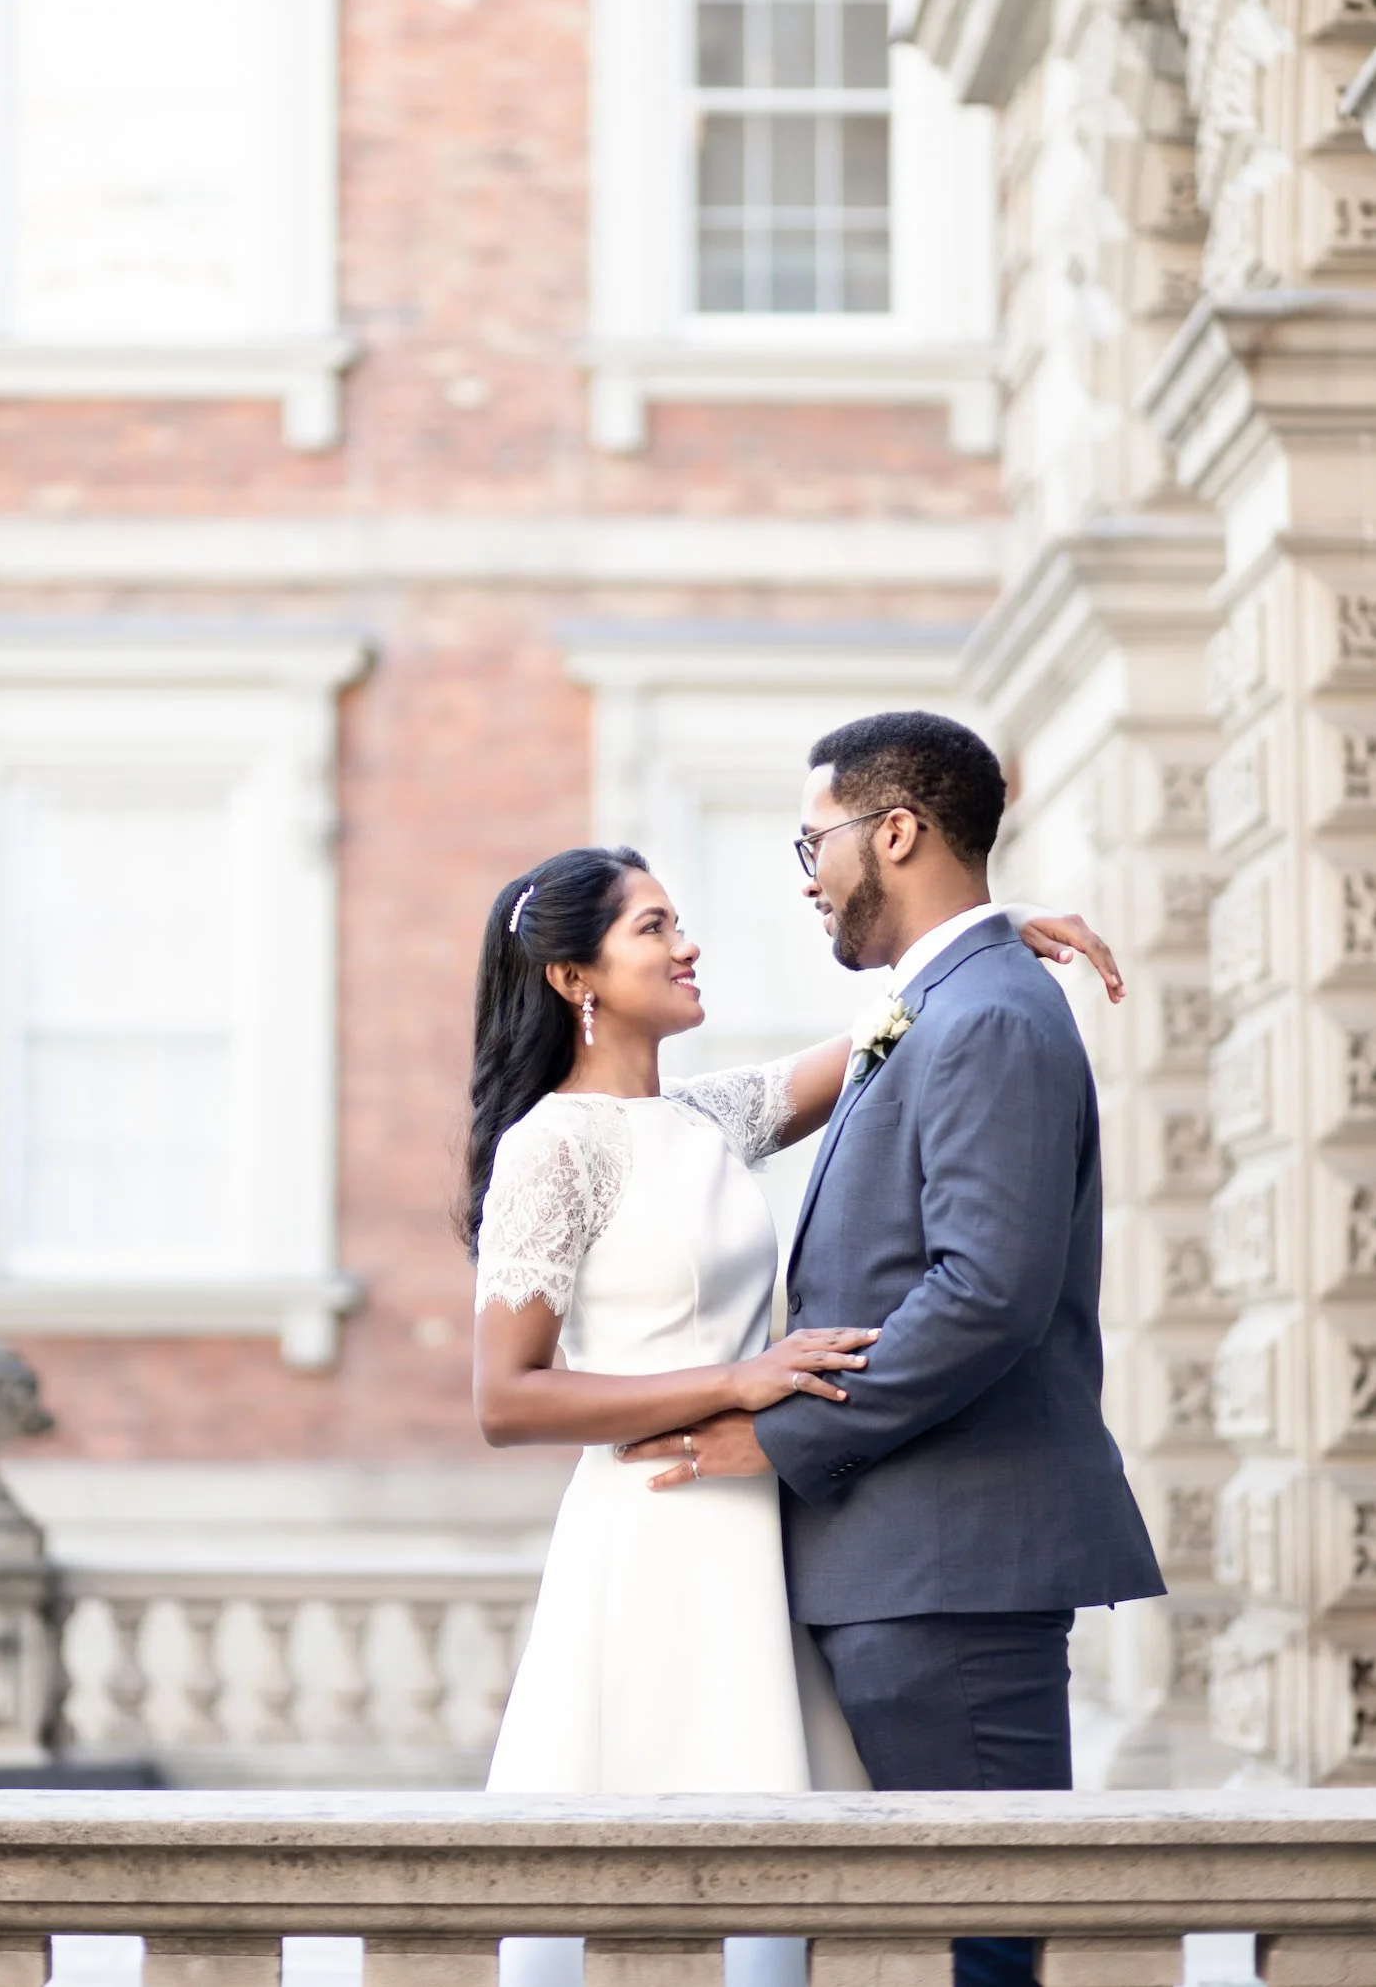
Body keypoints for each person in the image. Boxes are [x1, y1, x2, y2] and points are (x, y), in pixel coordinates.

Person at [465, 835, 1126, 1987]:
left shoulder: (703, 1118)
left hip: (759, 1520)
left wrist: (992, 930)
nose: (688, 943)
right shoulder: (550, 1148)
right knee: (612, 1868)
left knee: (779, 1869)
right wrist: (736, 1381)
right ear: (574, 979)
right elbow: (505, 1398)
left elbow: (889, 1029)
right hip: (654, 1519)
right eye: (653, 928)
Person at [622, 712, 1165, 1987]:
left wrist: (778, 1429)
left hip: (950, 1573)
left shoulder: (983, 1017)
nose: (805, 872)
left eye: (813, 840)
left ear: (897, 831)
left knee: (979, 1947)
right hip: (898, 1569)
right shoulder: (946, 1003)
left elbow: (983, 1293)